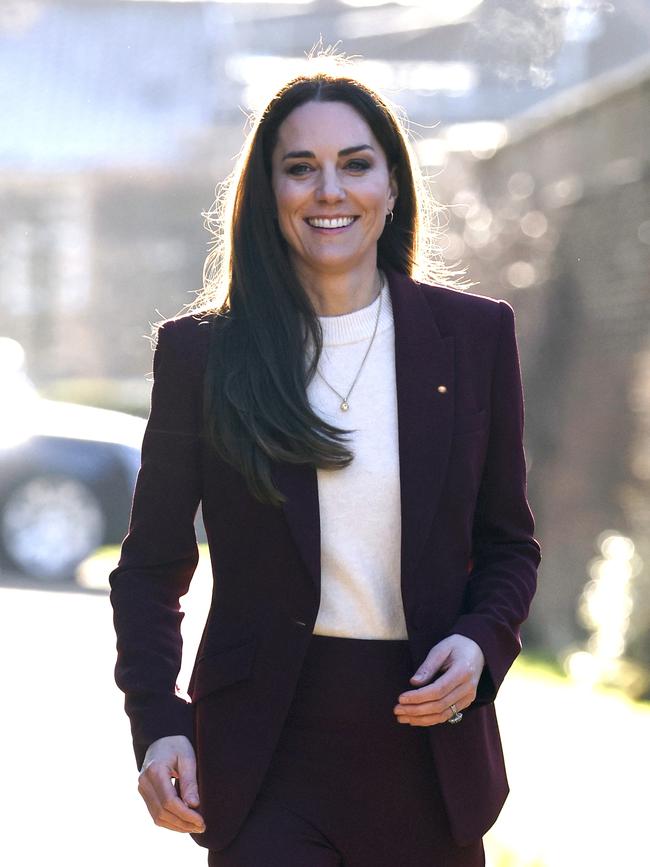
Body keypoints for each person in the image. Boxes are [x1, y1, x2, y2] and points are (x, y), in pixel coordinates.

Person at [109, 64, 541, 867]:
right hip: (264, 752)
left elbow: (509, 544)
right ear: (266, 192)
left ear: (392, 183)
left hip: (428, 748)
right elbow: (151, 564)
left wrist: (482, 643)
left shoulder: (474, 339)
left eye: (355, 162)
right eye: (300, 167)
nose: (329, 189)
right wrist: (157, 719)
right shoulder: (204, 354)